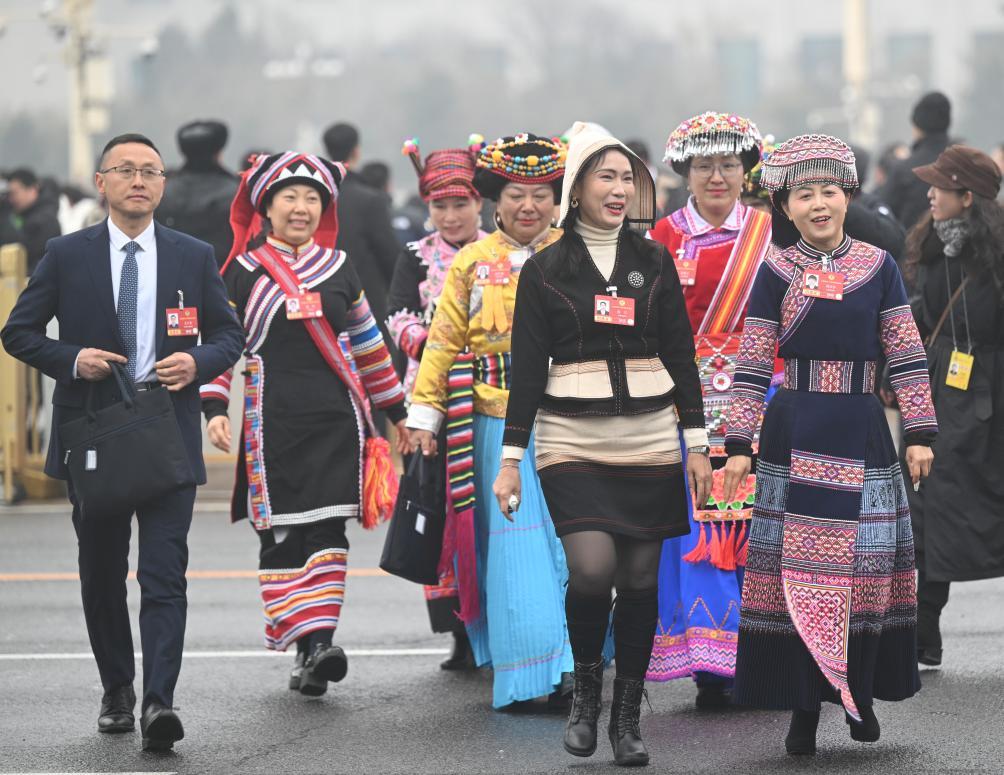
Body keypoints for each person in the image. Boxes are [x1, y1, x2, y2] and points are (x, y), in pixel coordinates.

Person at [1, 133, 244, 751]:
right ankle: (117, 690)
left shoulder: (193, 254)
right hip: (95, 433)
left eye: (150, 172)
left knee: (165, 574)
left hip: (167, 432)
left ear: (163, 185)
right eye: (126, 170)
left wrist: (197, 363)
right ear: (102, 182)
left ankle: (160, 701)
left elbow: (228, 335)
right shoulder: (66, 253)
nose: (139, 181)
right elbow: (19, 332)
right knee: (102, 574)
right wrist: (72, 359)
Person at [494, 122, 711, 767]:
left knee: (641, 579)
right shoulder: (545, 269)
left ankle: (627, 716)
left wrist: (698, 443)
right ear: (577, 186)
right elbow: (526, 371)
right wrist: (510, 461)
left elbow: (681, 354)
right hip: (570, 437)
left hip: (650, 435)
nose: (618, 190)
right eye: (605, 177)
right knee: (591, 570)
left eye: (627, 179)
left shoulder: (654, 260)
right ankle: (588, 692)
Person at [721, 134, 937, 756]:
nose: (818, 204)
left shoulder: (879, 266)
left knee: (865, 569)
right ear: (785, 207)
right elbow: (753, 361)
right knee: (795, 570)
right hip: (794, 430)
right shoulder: (774, 270)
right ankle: (802, 712)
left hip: (862, 429)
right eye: (804, 195)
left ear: (848, 197)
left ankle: (857, 694)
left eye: (829, 191)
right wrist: (739, 443)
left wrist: (920, 432)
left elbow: (905, 351)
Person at [201, 152, 409, 698]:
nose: (301, 207)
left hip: (336, 420)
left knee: (327, 530)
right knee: (282, 535)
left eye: (312, 198)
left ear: (325, 208)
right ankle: (303, 642)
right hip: (271, 424)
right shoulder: (242, 272)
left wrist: (398, 413)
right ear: (266, 208)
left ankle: (320, 645)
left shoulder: (340, 268)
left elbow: (368, 345)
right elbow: (221, 345)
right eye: (289, 197)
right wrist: (214, 407)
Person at [406, 132, 572, 710]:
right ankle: (536, 670)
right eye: (515, 194)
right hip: (497, 423)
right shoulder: (472, 263)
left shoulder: (579, 254)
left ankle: (575, 661)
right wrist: (424, 416)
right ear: (495, 200)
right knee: (517, 548)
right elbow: (443, 341)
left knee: (575, 544)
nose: (528, 206)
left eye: (541, 194)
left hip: (573, 420)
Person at [644, 112, 773, 709]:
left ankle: (765, 655)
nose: (717, 176)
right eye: (704, 166)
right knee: (703, 530)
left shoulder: (772, 232)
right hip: (690, 405)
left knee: (761, 528)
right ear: (685, 172)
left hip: (761, 396)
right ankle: (713, 665)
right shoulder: (662, 237)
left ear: (746, 171)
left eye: (728, 165)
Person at [901, 145, 1004, 667]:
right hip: (941, 388)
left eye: (940, 186)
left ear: (968, 197)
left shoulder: (998, 255)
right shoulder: (929, 246)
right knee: (929, 500)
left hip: (994, 392)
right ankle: (925, 628)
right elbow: (919, 315)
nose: (930, 194)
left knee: (990, 499)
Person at [385, 137, 487, 670]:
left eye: (460, 203)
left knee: (488, 510)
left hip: (490, 400)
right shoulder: (415, 257)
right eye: (440, 205)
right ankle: (457, 630)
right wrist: (438, 343)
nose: (450, 216)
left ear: (479, 202)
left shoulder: (500, 253)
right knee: (438, 508)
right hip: (432, 405)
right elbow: (396, 316)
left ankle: (493, 620)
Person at [323, 123, 401, 334]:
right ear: (356, 151)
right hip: (366, 304)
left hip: (321, 302)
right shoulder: (371, 199)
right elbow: (389, 254)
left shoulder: (317, 198)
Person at [155, 120, 239, 267]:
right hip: (222, 275)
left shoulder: (163, 190)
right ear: (218, 152)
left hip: (171, 272)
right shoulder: (236, 193)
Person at [880, 91, 952, 230]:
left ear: (917, 125)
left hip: (911, 241)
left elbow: (884, 216)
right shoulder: (961, 165)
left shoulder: (904, 170)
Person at [5, 167, 62, 274]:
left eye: (14, 193)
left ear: (32, 190)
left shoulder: (44, 221)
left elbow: (29, 256)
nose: (11, 199)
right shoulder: (25, 215)